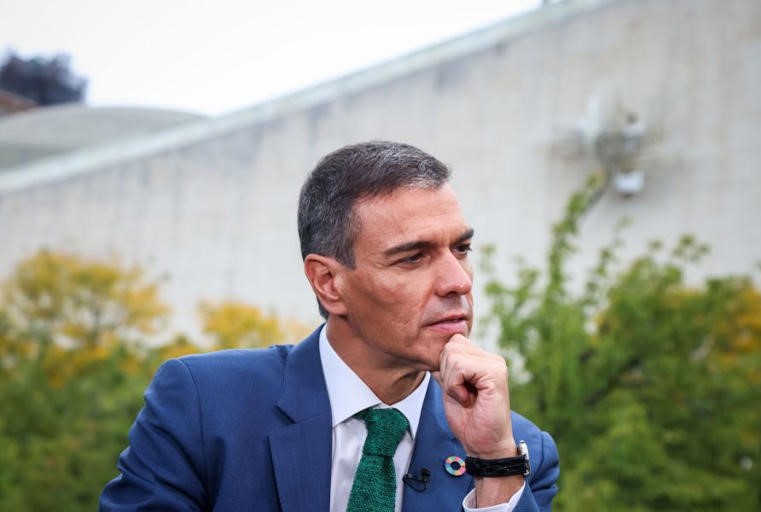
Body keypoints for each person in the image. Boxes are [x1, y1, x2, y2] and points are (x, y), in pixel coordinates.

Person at [100, 141, 559, 511]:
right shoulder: (204, 406)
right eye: (413, 258)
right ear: (329, 283)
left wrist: (493, 465)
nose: (458, 281)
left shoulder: (519, 452)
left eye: (461, 250)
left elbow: (501, 464)